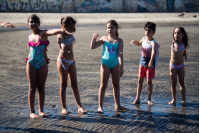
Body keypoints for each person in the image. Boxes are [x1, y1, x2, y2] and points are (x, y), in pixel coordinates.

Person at [26, 14, 72, 118]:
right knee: (32, 88)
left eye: (35, 22)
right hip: (31, 63)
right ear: (28, 24)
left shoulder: (42, 33)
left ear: (39, 24)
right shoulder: (29, 36)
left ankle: (41, 111)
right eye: (31, 22)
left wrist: (61, 31)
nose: (33, 23)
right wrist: (28, 60)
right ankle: (32, 112)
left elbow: (52, 32)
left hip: (42, 63)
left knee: (41, 87)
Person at [90, 20, 129, 113]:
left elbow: (120, 53)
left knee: (116, 85)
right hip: (105, 64)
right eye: (108, 27)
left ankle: (118, 105)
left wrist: (121, 66)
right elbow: (93, 46)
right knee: (103, 85)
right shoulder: (104, 38)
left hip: (115, 64)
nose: (110, 29)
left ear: (116, 29)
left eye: (112, 27)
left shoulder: (120, 41)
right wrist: (94, 38)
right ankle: (100, 106)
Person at [57, 16, 87, 115]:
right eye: (70, 28)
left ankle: (80, 106)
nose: (72, 30)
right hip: (63, 61)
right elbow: (61, 43)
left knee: (74, 84)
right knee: (64, 84)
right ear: (64, 26)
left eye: (73, 28)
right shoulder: (60, 35)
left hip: (72, 61)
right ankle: (64, 108)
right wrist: (64, 48)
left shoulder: (70, 33)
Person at [130, 22, 160, 106]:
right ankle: (137, 98)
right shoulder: (143, 38)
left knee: (149, 82)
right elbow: (139, 43)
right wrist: (135, 42)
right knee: (140, 80)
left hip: (150, 64)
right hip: (142, 63)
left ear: (153, 32)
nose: (147, 32)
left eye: (149, 30)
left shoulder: (153, 42)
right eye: (146, 30)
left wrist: (151, 62)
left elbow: (154, 52)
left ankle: (149, 99)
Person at [168, 27, 189, 106]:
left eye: (178, 33)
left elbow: (183, 48)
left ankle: (183, 100)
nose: (176, 35)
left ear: (183, 35)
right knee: (174, 83)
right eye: (175, 33)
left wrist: (185, 53)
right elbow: (175, 44)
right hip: (173, 65)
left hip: (181, 65)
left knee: (182, 83)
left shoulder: (183, 43)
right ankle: (173, 99)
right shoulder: (173, 42)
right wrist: (176, 46)